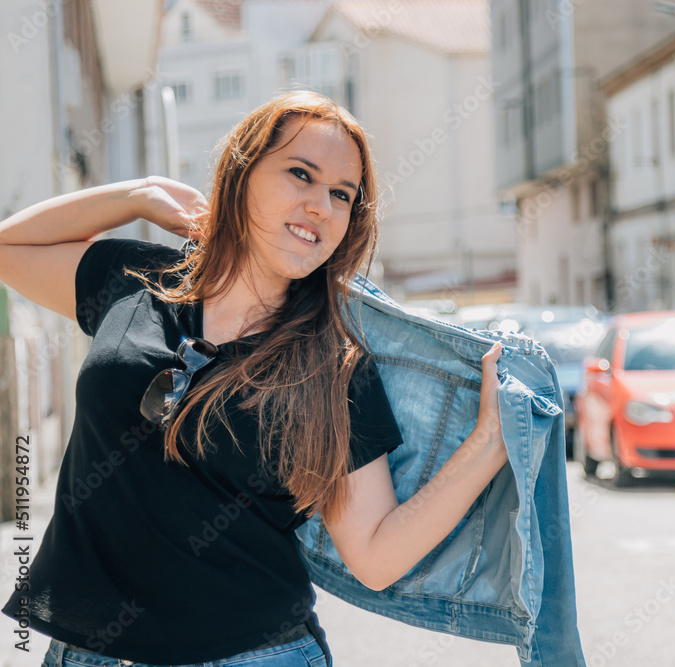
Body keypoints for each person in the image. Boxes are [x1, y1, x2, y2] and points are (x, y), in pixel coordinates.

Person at [0, 91, 508, 667]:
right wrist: (135, 195)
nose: (321, 205)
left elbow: (373, 552)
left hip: (250, 655)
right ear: (240, 176)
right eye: (301, 174)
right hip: (84, 653)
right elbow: (9, 245)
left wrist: (489, 443)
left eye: (342, 195)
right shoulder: (137, 281)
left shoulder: (335, 365)